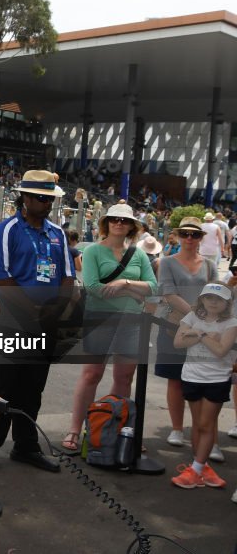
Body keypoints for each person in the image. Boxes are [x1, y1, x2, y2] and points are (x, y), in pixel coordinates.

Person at [0, 169, 74, 474]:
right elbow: (0, 278)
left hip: (46, 322)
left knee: (33, 387)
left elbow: (69, 276)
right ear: (25, 197)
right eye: (41, 198)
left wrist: (55, 309)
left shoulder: (57, 234)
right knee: (4, 384)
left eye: (50, 199)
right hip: (14, 320)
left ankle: (25, 445)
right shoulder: (7, 230)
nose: (46, 204)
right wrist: (34, 311)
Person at [62, 203, 156, 455]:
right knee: (92, 374)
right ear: (106, 223)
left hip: (131, 320)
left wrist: (124, 282)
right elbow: (93, 287)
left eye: (124, 221)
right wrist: (135, 289)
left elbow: (154, 287)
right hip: (100, 318)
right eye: (114, 219)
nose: (119, 223)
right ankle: (76, 428)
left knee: (124, 377)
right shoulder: (93, 250)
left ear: (131, 226)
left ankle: (113, 425)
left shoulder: (138, 254)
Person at [155, 217, 225, 461]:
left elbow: (218, 292)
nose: (189, 238)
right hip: (176, 326)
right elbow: (168, 293)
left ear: (201, 238)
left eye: (194, 235)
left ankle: (208, 437)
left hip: (205, 328)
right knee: (175, 380)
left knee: (206, 383)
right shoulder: (167, 263)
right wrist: (198, 316)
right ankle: (177, 428)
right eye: (185, 234)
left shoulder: (209, 265)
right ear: (178, 235)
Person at [169, 283, 237, 489]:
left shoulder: (232, 322)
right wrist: (203, 335)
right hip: (192, 376)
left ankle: (197, 469)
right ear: (202, 300)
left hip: (216, 379)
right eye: (209, 298)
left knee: (207, 425)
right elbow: (178, 342)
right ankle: (201, 467)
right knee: (198, 424)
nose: (213, 302)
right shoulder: (192, 317)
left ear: (227, 303)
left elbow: (221, 351)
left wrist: (199, 334)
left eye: (219, 299)